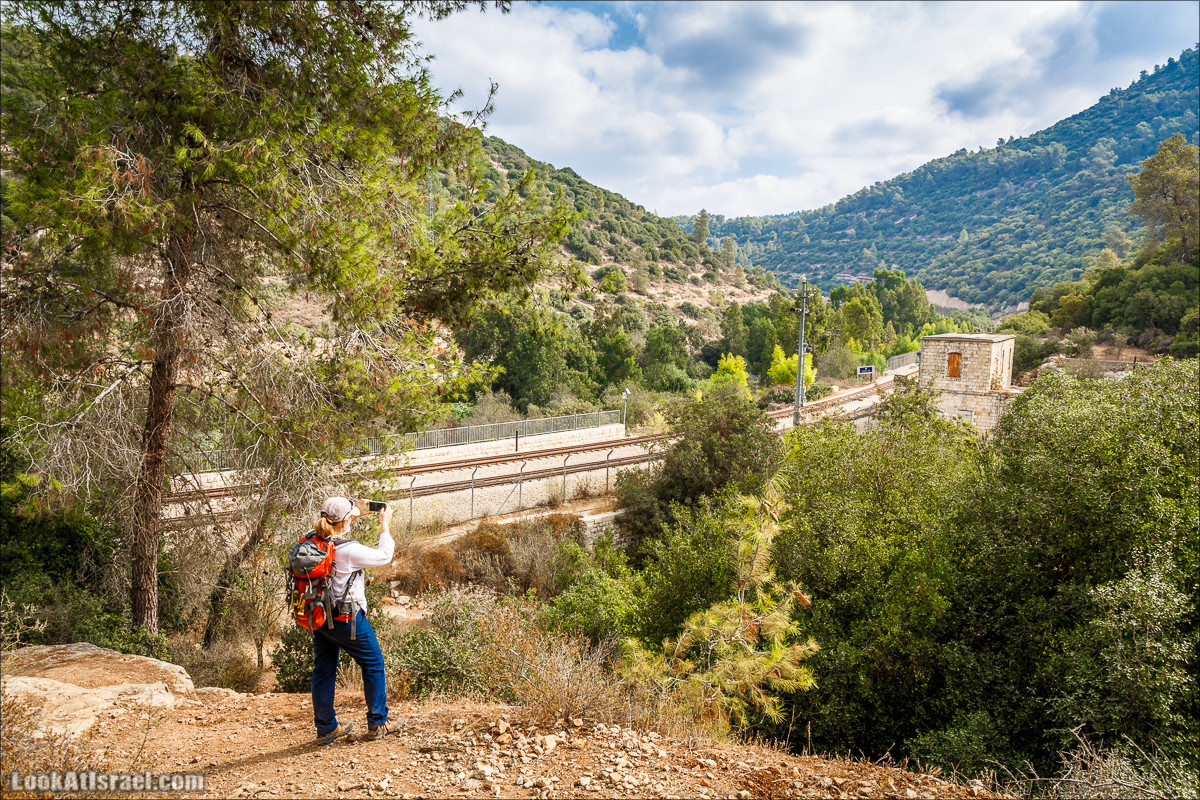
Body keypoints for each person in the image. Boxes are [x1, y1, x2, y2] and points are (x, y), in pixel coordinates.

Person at [310, 496, 401, 746]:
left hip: (320, 617)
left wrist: (353, 514)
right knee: (373, 664)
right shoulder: (348, 551)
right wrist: (385, 524)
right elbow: (384, 556)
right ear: (345, 521)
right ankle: (378, 721)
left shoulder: (313, 538)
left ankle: (326, 727)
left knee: (324, 669)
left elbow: (332, 526)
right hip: (347, 619)